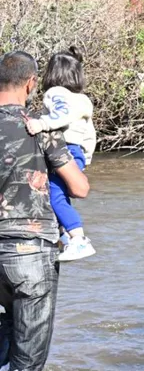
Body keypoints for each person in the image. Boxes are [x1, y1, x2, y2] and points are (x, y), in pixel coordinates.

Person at [0, 50, 89, 371]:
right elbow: (79, 188)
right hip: (30, 251)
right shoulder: (38, 126)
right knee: (26, 370)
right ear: (32, 83)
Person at [24, 49, 96, 261]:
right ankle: (64, 236)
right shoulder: (83, 99)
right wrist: (86, 157)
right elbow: (89, 132)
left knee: (53, 196)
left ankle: (78, 239)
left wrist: (41, 123)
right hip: (77, 152)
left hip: (62, 151)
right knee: (59, 196)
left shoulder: (55, 93)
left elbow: (61, 115)